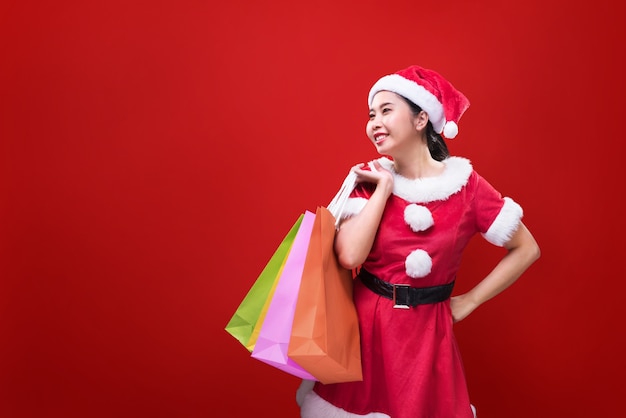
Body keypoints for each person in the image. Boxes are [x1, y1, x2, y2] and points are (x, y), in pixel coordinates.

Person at [296, 65, 541, 417]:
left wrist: (469, 301)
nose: (374, 122)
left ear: (421, 118)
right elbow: (350, 255)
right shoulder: (370, 178)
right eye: (370, 115)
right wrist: (383, 190)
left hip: (427, 335)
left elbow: (526, 249)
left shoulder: (466, 187)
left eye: (386, 111)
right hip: (366, 332)